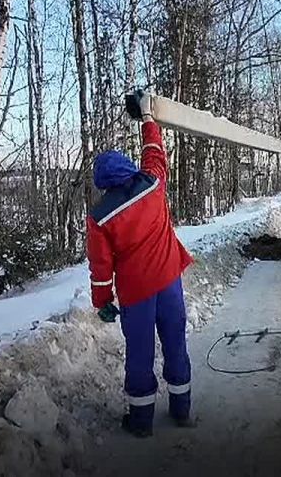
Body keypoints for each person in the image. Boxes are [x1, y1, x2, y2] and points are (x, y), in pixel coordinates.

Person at [86, 91, 195, 437]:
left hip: (135, 294)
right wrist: (148, 118)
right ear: (127, 168)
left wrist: (102, 300)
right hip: (168, 283)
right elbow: (154, 151)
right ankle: (181, 409)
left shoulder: (100, 216)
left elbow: (101, 265)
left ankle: (141, 421)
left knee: (140, 352)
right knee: (175, 341)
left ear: (103, 183)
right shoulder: (153, 183)